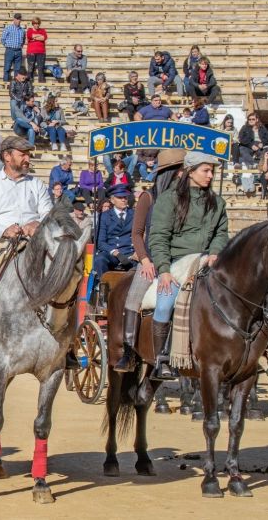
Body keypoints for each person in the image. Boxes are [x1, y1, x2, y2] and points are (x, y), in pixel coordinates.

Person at [0, 135, 69, 367]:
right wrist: (4, 229)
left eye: (28, 154)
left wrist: (36, 225)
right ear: (7, 156)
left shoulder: (36, 184)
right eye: (22, 154)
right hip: (0, 243)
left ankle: (67, 341)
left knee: (66, 275)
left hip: (34, 243)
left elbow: (48, 214)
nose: (27, 158)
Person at [147, 152, 228, 379]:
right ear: (190, 172)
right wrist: (163, 270)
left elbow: (221, 234)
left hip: (206, 263)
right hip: (176, 265)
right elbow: (159, 237)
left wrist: (215, 252)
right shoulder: (168, 199)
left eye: (212, 171)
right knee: (164, 305)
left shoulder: (218, 203)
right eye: (206, 171)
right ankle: (161, 358)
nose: (210, 176)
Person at [113, 148, 185, 372]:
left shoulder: (185, 198)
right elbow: (137, 233)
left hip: (179, 260)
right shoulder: (148, 197)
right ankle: (128, 351)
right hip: (151, 260)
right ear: (171, 173)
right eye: (181, 171)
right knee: (134, 298)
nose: (184, 175)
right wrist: (144, 260)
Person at [91, 184, 135, 300]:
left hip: (129, 252)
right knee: (99, 260)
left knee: (143, 265)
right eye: (120, 197)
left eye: (125, 197)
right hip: (112, 253)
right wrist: (115, 252)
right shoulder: (104, 216)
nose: (124, 199)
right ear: (112, 200)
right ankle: (103, 292)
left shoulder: (134, 214)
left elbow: (138, 236)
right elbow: (100, 242)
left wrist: (137, 253)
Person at [0, 12, 25, 83]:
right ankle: (5, 83)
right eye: (17, 19)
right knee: (7, 67)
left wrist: (20, 46)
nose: (18, 20)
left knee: (17, 69)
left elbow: (23, 40)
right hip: (10, 50)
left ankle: (16, 84)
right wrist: (7, 46)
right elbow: (3, 39)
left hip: (18, 50)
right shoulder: (8, 28)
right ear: (14, 19)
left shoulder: (22, 30)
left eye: (19, 19)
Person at [25, 17, 47, 82]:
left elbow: (44, 38)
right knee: (30, 69)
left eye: (38, 24)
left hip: (41, 52)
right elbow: (30, 36)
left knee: (41, 69)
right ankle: (29, 84)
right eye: (35, 24)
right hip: (31, 52)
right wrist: (39, 36)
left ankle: (41, 84)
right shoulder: (29, 30)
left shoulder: (43, 30)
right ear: (33, 24)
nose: (37, 25)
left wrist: (34, 37)